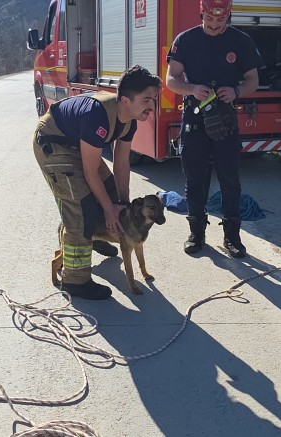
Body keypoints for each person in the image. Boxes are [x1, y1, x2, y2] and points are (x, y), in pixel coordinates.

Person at [33, 66, 162, 300]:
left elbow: (122, 164)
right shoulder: (98, 116)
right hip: (55, 145)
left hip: (78, 144)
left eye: (153, 99)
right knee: (81, 210)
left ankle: (96, 236)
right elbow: (90, 173)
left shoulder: (129, 119)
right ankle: (75, 280)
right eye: (146, 100)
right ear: (125, 99)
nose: (151, 106)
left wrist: (121, 204)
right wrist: (108, 210)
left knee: (111, 194)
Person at [165, 0, 262, 258]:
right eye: (210, 20)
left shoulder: (240, 41)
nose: (215, 25)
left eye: (221, 20)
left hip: (225, 119)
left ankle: (232, 236)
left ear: (228, 15)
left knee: (230, 179)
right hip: (194, 119)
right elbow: (171, 79)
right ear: (202, 13)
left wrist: (237, 90)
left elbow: (254, 80)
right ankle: (196, 232)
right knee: (195, 179)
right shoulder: (185, 40)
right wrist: (191, 89)